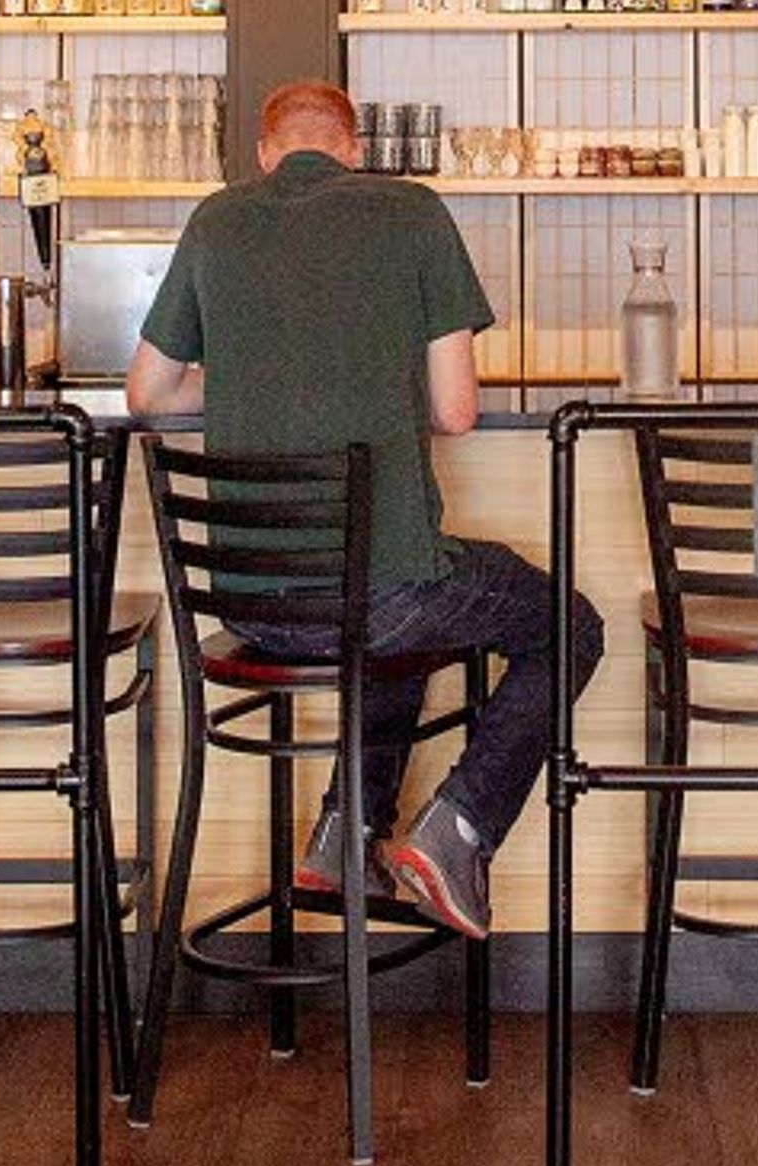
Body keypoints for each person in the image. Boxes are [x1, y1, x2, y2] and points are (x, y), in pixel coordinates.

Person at [124, 80, 604, 937]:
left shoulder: (216, 219)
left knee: (402, 605)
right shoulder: (412, 211)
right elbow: (456, 410)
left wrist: (250, 374)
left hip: (244, 602)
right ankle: (458, 826)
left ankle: (345, 832)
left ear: (265, 154)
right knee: (563, 623)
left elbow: (147, 391)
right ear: (353, 148)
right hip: (376, 596)